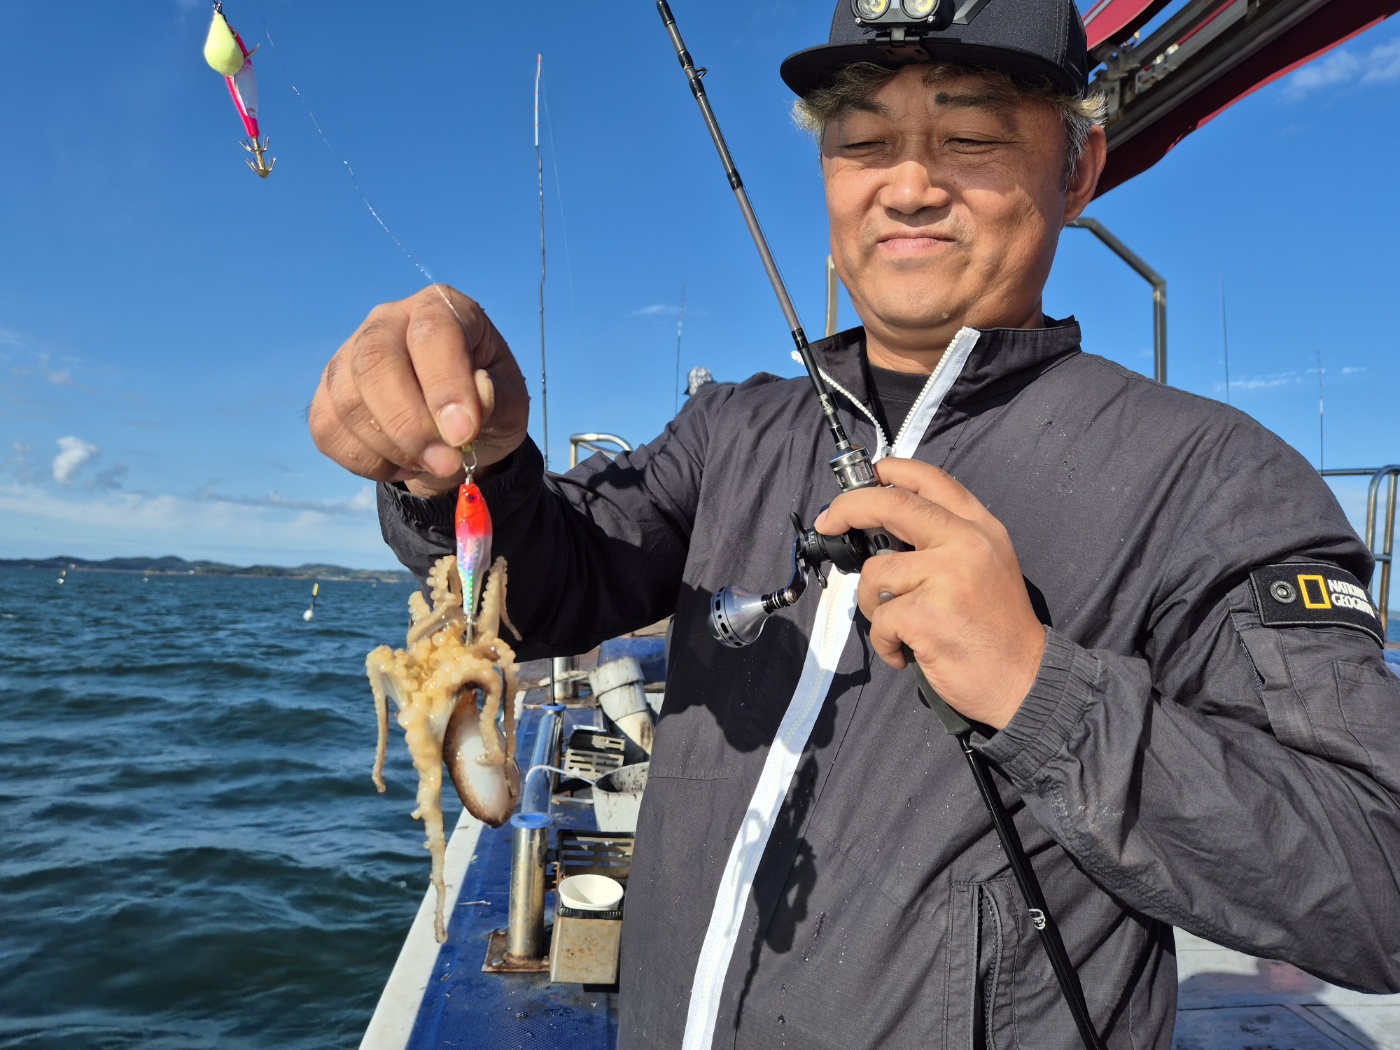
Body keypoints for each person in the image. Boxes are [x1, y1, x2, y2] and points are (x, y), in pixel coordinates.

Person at [309, 0, 1400, 1046]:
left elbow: (1377, 875)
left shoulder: (1215, 477)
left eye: (971, 138)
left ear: (1079, 170)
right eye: (863, 142)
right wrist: (471, 468)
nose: (909, 186)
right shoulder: (729, 431)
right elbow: (552, 588)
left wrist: (1041, 691)